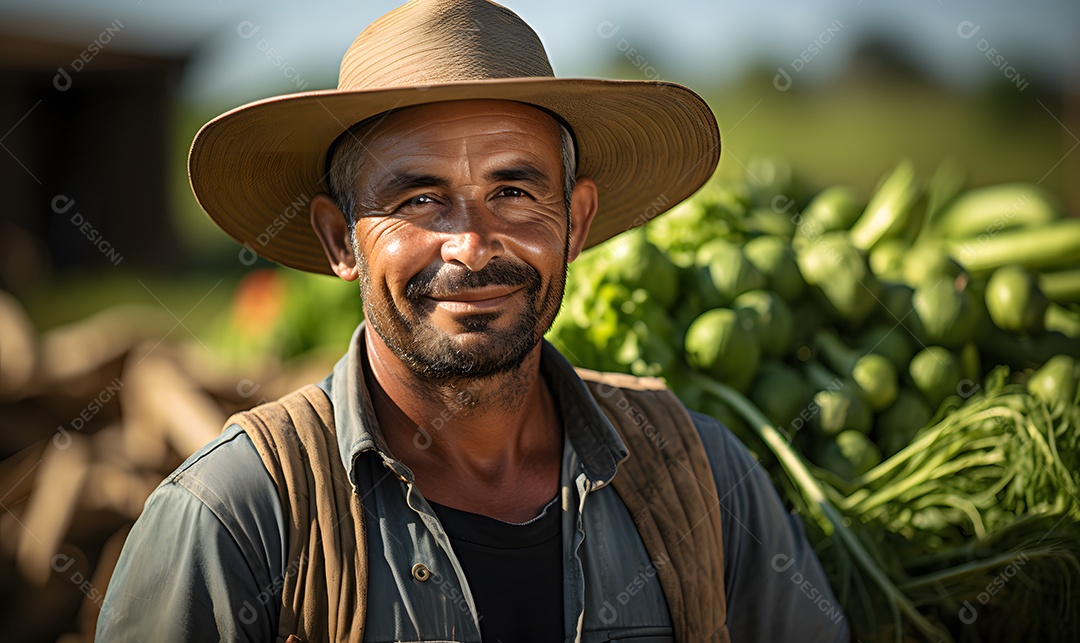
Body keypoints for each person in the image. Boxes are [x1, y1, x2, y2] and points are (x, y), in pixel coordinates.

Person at [98, 1, 849, 641]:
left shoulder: (701, 480)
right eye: (418, 198)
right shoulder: (238, 517)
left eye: (515, 191)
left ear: (576, 221)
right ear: (339, 239)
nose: (472, 242)